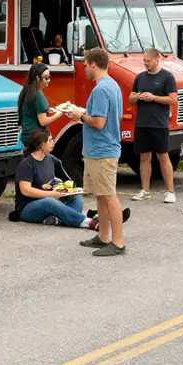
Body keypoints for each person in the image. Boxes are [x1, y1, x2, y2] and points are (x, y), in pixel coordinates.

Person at [68, 48, 126, 256]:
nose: (84, 68)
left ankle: (117, 242)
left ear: (93, 64)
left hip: (103, 150)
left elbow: (99, 122)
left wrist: (79, 116)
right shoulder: (113, 85)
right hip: (98, 150)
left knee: (109, 196)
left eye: (85, 64)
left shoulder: (100, 89)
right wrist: (84, 112)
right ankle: (103, 236)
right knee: (100, 196)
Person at [14, 129, 98, 229]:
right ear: (41, 145)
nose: (53, 142)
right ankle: (88, 222)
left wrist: (71, 190)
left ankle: (57, 220)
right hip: (27, 208)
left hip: (50, 200)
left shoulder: (51, 159)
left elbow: (67, 179)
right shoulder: (26, 164)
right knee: (50, 202)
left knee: (76, 198)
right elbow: (26, 190)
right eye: (50, 140)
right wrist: (52, 194)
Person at [129, 48, 178, 203]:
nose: (145, 64)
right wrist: (137, 96)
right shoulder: (140, 77)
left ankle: (170, 191)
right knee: (144, 157)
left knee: (163, 156)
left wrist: (154, 98)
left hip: (159, 123)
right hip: (142, 123)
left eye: (148, 61)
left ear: (157, 59)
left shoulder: (167, 77)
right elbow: (130, 98)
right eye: (144, 61)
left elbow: (173, 99)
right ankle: (145, 189)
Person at [18, 63, 65, 148]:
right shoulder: (38, 95)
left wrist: (54, 109)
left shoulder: (27, 91)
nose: (49, 80)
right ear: (37, 78)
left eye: (50, 77)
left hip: (26, 136)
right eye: (46, 78)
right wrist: (58, 114)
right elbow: (43, 121)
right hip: (36, 138)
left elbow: (34, 111)